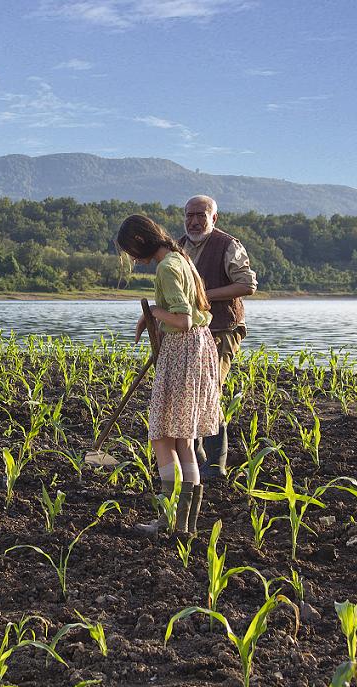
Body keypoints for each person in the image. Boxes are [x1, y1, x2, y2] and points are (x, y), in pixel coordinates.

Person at [115, 214, 221, 537]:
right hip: (197, 350)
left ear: (140, 243)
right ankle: (183, 526)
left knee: (163, 436)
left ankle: (168, 520)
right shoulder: (181, 258)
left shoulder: (168, 267)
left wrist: (152, 314)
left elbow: (184, 319)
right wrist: (152, 320)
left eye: (131, 252)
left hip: (183, 350)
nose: (133, 259)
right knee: (183, 441)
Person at [180, 195, 258, 480]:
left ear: (214, 218)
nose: (195, 221)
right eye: (189, 215)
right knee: (189, 390)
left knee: (210, 389)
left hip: (223, 328)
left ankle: (216, 464)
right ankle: (197, 455)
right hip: (190, 329)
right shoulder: (180, 247)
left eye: (201, 214)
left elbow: (247, 284)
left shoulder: (228, 245)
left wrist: (205, 296)